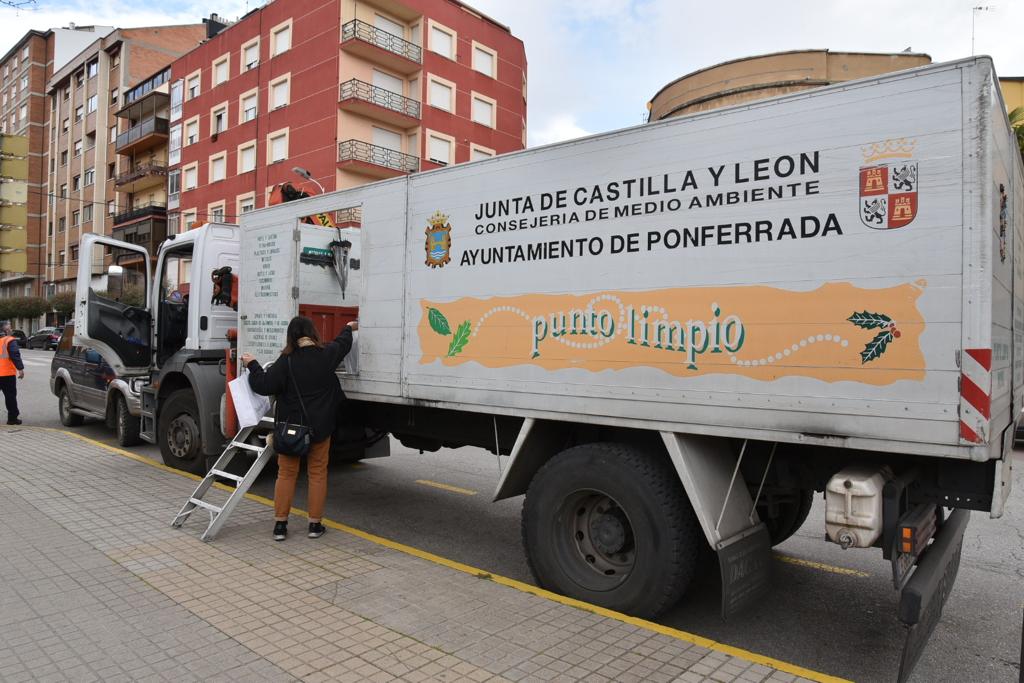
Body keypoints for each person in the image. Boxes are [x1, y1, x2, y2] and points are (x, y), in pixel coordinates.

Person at [242, 316, 356, 541]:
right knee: (317, 474)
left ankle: (280, 526)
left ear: (291, 336)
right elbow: (343, 343)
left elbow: (264, 385)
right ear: (312, 333)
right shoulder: (326, 355)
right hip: (320, 429)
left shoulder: (287, 360)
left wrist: (252, 364)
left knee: (286, 474)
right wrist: (348, 327)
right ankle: (314, 526)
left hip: (292, 430)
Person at [0, 321, 25, 425]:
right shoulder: (9, 340)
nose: (11, 328)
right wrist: (20, 369)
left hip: (5, 373)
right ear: (5, 329)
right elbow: (15, 355)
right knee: (10, 396)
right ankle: (12, 418)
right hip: (6, 374)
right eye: (9, 326)